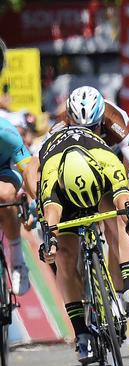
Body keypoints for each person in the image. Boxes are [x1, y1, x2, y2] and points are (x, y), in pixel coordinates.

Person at [36, 127, 129, 363]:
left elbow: (124, 201)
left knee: (121, 221)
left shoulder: (107, 161)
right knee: (63, 255)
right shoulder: (51, 179)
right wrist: (50, 244)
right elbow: (52, 216)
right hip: (64, 196)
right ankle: (81, 333)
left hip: (100, 184)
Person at [0, 117, 37, 296]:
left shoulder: (7, 133)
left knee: (6, 196)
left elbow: (29, 170)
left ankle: (17, 262)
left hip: (4, 170)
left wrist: (35, 202)